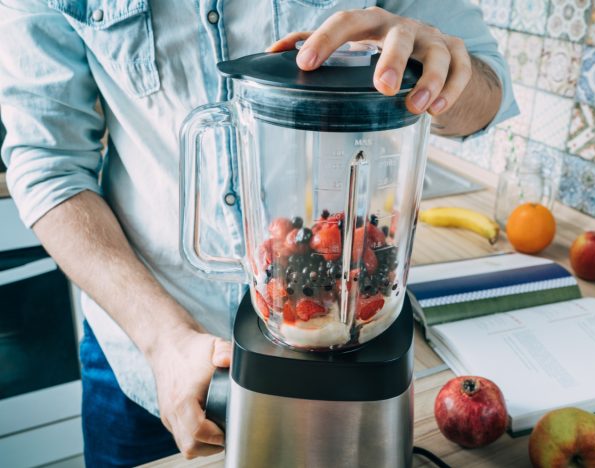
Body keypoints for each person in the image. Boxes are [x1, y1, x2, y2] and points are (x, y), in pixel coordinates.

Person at [0, 1, 518, 466]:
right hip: (143, 353)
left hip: (365, 317)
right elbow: (47, 161)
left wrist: (442, 74)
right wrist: (165, 342)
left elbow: (489, 93)